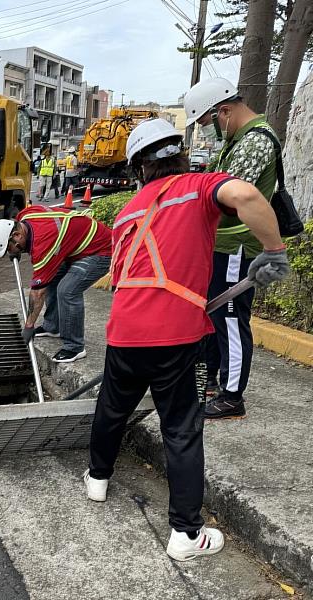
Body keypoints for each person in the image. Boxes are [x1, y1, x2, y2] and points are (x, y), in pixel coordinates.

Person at [84, 118, 288, 561]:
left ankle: (97, 479)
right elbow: (248, 195)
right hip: (178, 336)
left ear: (139, 168)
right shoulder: (197, 187)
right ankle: (185, 533)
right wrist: (274, 251)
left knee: (112, 408)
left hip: (123, 331)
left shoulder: (128, 210)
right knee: (181, 428)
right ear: (180, 154)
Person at [184, 77, 280, 420]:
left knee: (230, 319)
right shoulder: (236, 140)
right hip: (221, 244)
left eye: (206, 123)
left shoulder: (255, 142)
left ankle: (232, 395)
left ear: (224, 111)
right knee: (213, 314)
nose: (206, 131)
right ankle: (210, 380)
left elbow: (227, 197)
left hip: (237, 246)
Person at [0, 205, 112, 363]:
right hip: (74, 247)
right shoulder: (25, 216)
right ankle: (53, 327)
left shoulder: (43, 245)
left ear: (17, 235)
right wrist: (15, 251)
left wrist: (29, 326)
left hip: (99, 251)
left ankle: (75, 347)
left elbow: (38, 292)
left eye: (10, 248)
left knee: (67, 290)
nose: (11, 252)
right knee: (52, 278)